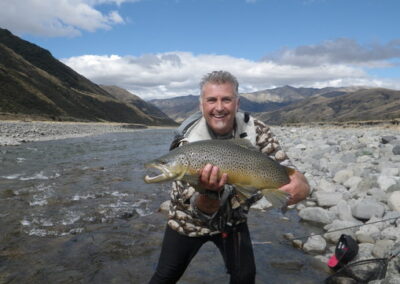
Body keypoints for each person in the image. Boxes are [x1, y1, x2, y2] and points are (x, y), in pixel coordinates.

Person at [149, 71, 310, 284]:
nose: (219, 107)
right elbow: (201, 210)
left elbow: (288, 171)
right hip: (188, 221)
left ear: (237, 103)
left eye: (226, 99)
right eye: (211, 100)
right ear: (201, 105)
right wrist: (210, 192)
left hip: (233, 220)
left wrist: (301, 185)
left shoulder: (256, 130)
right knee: (164, 277)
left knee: (245, 277)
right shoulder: (186, 145)